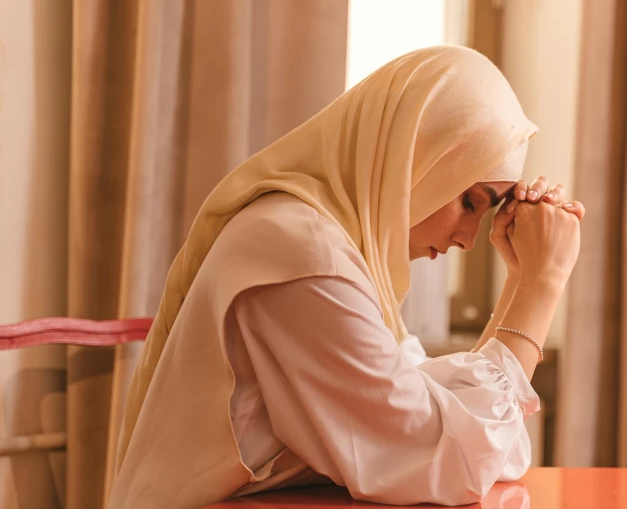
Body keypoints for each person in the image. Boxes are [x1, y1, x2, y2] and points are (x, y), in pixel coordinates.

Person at [108, 45, 584, 509]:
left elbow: (482, 445)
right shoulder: (302, 252)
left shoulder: (333, 247)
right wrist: (543, 285)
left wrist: (521, 279)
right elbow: (449, 460)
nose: (468, 239)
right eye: (468, 201)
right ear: (417, 159)